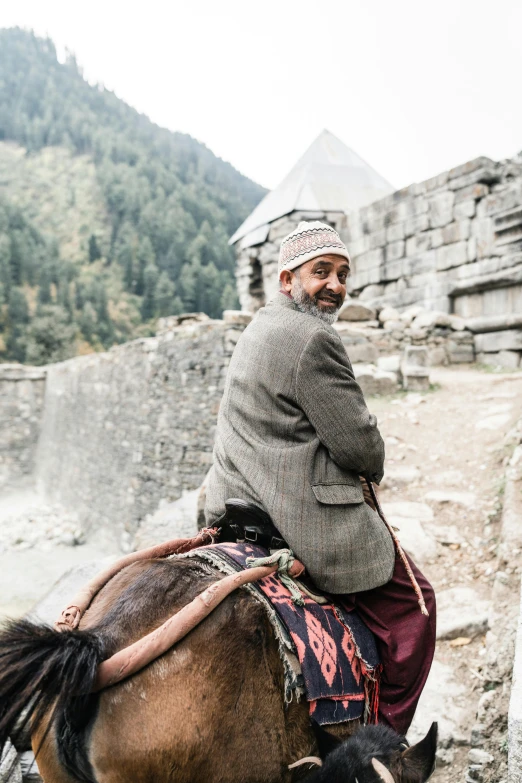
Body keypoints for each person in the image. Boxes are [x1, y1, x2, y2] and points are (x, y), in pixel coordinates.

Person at [205, 220, 436, 735]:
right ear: (287, 279)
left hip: (235, 499)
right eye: (320, 272)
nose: (334, 284)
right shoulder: (312, 338)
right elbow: (359, 446)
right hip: (295, 512)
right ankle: (381, 742)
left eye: (342, 274)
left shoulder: (260, 326)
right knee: (415, 610)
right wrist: (374, 460)